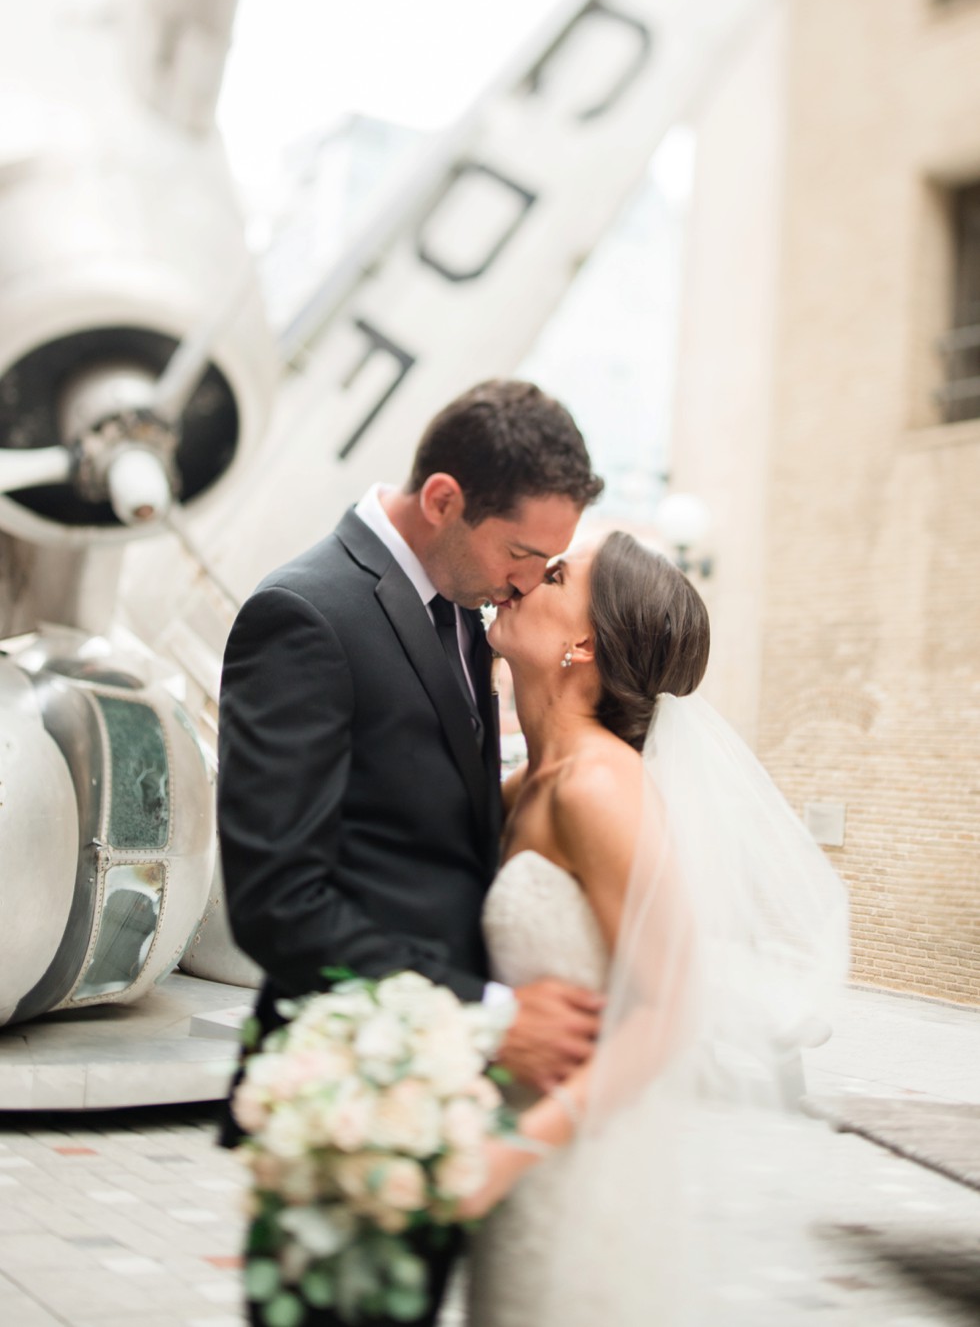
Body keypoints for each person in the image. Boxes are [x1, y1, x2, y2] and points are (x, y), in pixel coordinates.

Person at [216, 379, 605, 1326]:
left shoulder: (462, 616)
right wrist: (491, 1014)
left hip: (436, 1104)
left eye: (548, 565)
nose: (527, 582)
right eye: (521, 554)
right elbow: (278, 900)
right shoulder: (305, 615)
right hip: (348, 1106)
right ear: (443, 500)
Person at [461, 531, 850, 1327]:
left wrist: (519, 1147)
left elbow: (672, 1012)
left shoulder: (602, 788)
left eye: (557, 574)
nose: (528, 577)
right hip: (511, 1171)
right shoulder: (521, 788)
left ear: (582, 643)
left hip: (576, 1178)